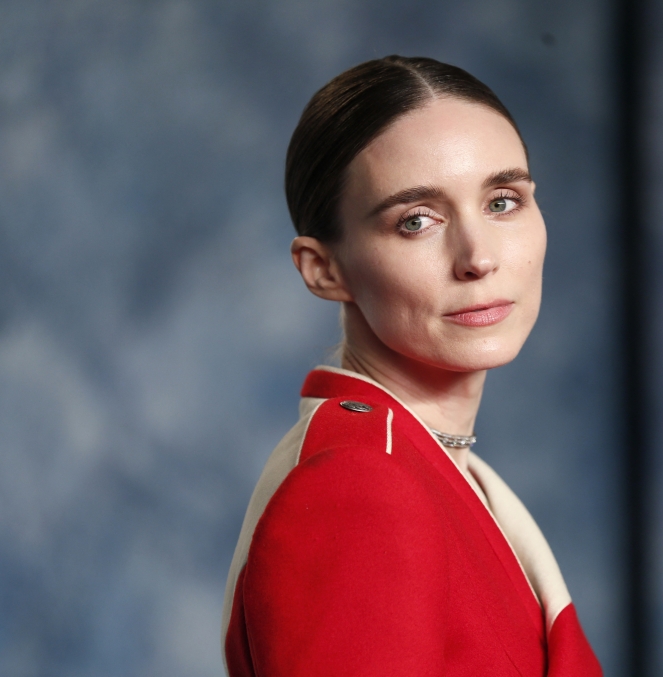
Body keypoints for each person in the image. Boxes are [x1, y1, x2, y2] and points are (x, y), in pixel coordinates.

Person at [221, 55, 602, 676]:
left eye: (503, 201)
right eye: (416, 221)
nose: (478, 258)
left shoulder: (428, 463)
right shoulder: (360, 489)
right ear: (325, 269)